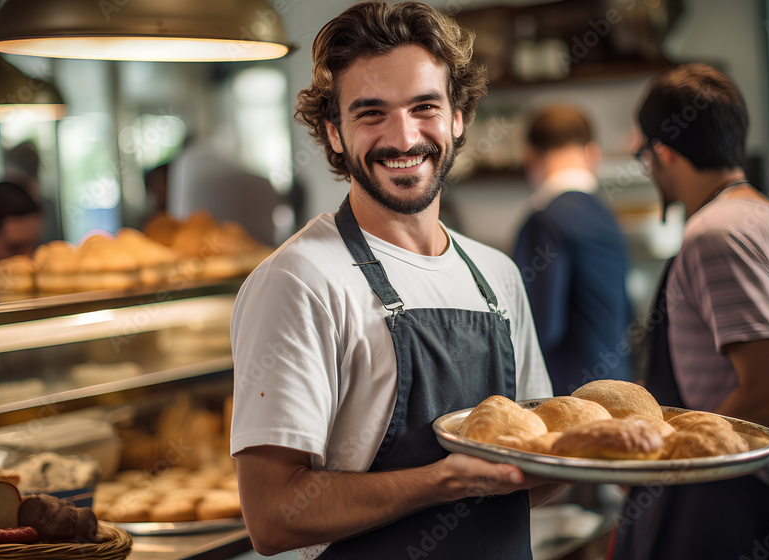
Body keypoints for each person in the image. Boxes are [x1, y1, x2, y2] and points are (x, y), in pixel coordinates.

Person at [230, 3, 558, 558]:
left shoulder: (497, 277)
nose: (404, 138)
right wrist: (444, 481)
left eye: (424, 106)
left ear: (458, 117)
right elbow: (272, 516)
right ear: (334, 133)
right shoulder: (299, 281)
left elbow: (541, 469)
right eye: (371, 113)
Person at [612, 63, 769, 559]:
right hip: (763, 497)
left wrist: (658, 451)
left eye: (645, 156)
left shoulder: (717, 234)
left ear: (662, 152)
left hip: (731, 507)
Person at [513, 105, 632, 395]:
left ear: (530, 156)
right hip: (616, 389)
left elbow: (540, 326)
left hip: (568, 397)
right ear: (593, 154)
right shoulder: (607, 218)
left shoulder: (545, 221)